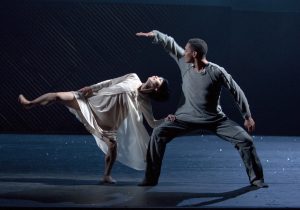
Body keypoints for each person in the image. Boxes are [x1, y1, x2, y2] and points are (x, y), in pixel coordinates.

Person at [136, 30, 268, 188]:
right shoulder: (185, 63)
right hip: (184, 119)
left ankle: (257, 179)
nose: (183, 52)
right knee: (158, 133)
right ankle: (150, 178)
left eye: (186, 50)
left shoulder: (217, 72)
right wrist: (156, 35)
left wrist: (247, 116)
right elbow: (171, 44)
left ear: (195, 53)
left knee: (245, 140)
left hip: (215, 120)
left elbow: (236, 91)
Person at [18, 73, 170, 184]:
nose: (156, 76)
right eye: (158, 76)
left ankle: (106, 176)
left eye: (159, 79)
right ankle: (30, 103)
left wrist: (165, 120)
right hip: (92, 103)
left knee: (112, 147)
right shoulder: (133, 77)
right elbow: (110, 82)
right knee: (58, 96)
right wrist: (91, 87)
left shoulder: (144, 101)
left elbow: (152, 123)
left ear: (157, 89)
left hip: (107, 123)